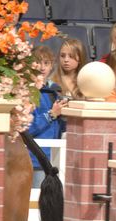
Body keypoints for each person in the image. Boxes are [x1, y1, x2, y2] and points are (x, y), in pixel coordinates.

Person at [28, 45, 66, 187]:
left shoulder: (54, 91)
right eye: (38, 62)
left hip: (54, 157)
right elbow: (28, 127)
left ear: (52, 66)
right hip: (35, 158)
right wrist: (51, 114)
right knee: (34, 202)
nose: (42, 67)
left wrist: (65, 117)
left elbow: (59, 128)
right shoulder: (28, 91)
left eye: (46, 63)